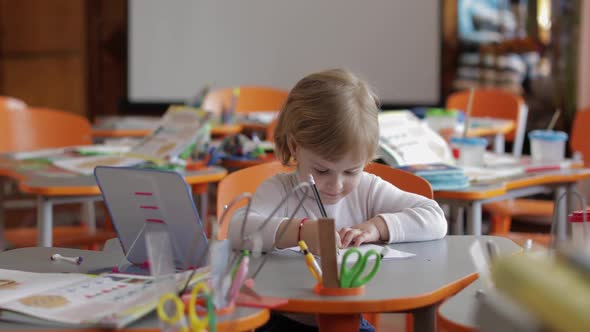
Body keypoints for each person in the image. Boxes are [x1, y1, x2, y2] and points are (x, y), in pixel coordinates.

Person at [228, 68, 447, 332]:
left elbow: (434, 217)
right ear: (295, 147)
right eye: (322, 170)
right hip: (283, 319)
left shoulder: (367, 189)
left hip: (348, 319)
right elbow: (237, 229)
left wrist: (377, 226)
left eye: (351, 171)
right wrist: (299, 230)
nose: (336, 184)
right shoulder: (281, 191)